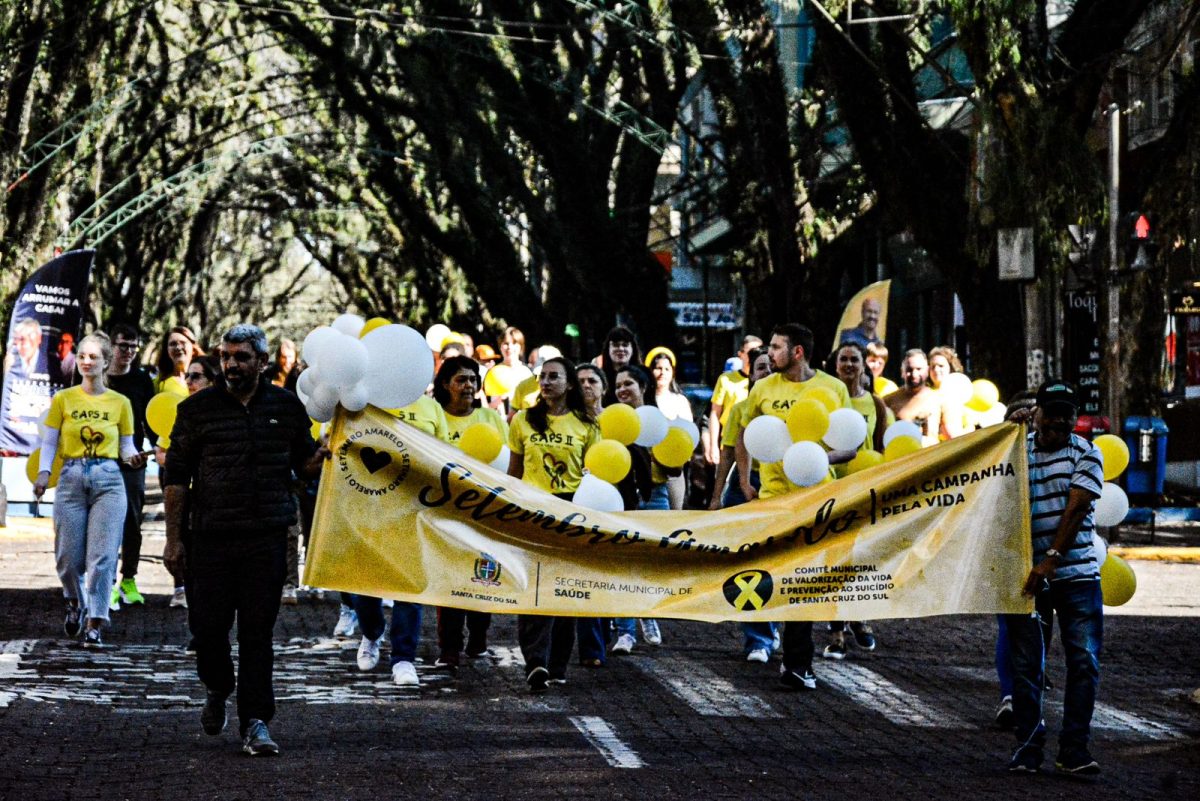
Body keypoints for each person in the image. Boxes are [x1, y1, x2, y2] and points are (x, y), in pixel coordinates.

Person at [162, 324, 328, 756]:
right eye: (226, 356)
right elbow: (176, 477)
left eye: (241, 357)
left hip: (267, 537)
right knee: (208, 630)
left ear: (262, 361)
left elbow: (305, 464)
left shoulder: (287, 407)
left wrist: (325, 453)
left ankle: (256, 722)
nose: (231, 365)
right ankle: (218, 686)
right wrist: (173, 540)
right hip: (211, 539)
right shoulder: (197, 410)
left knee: (258, 634)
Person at [739, 324, 856, 690]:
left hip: (816, 500)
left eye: (775, 347)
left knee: (803, 582)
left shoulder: (832, 388)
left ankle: (796, 663)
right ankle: (766, 641)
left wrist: (815, 457)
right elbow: (744, 436)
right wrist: (745, 480)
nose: (768, 353)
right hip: (773, 500)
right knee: (771, 575)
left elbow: (851, 445)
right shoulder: (761, 388)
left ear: (798, 352)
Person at [1003, 382, 1104, 776]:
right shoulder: (1016, 450)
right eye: (1053, 411)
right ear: (1037, 413)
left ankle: (1074, 750)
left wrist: (1051, 560)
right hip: (1027, 577)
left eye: (1068, 413)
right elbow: (983, 472)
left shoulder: (1087, 452)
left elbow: (1077, 507)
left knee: (1084, 661)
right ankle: (1028, 749)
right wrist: (1004, 430)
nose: (1060, 420)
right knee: (1027, 665)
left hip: (1076, 575)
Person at [34, 331, 136, 647]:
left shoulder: (120, 403)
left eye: (93, 357)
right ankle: (75, 602)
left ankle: (95, 622)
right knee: (67, 558)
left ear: (106, 362)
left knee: (102, 556)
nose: (86, 362)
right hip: (71, 477)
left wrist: (132, 457)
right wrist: (43, 473)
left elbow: (126, 444)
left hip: (108, 480)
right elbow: (50, 442)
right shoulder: (63, 399)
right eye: (82, 356)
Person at [508, 357, 599, 692]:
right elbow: (514, 472)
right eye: (541, 377)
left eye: (553, 377)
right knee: (533, 588)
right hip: (532, 510)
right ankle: (536, 663)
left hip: (573, 510)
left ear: (569, 384)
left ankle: (558, 664)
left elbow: (598, 474)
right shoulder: (522, 421)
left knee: (564, 590)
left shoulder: (587, 425)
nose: (545, 383)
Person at [353, 391, 450, 687]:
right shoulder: (366, 402)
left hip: (415, 508)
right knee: (362, 586)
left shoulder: (431, 409)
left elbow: (445, 456)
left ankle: (403, 658)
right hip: (371, 506)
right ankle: (371, 632)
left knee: (409, 586)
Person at [433, 355, 507, 668]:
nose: (469, 386)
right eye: (461, 380)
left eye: (473, 380)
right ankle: (449, 646)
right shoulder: (434, 415)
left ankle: (479, 634)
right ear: (445, 385)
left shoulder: (491, 420)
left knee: (483, 575)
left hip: (485, 511)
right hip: (445, 510)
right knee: (449, 577)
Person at [709, 348, 778, 663]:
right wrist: (716, 495)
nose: (764, 372)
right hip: (744, 490)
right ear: (750, 375)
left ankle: (774, 626)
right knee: (749, 567)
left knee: (779, 563)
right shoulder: (738, 409)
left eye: (769, 367)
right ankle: (758, 640)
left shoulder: (786, 409)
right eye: (758, 368)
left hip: (781, 491)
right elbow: (726, 455)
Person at [821, 342, 889, 660]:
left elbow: (880, 449)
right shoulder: (825, 400)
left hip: (865, 492)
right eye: (843, 359)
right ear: (835, 366)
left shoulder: (875, 404)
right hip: (831, 490)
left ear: (865, 366)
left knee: (861, 557)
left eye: (854, 359)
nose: (848, 364)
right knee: (836, 560)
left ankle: (860, 616)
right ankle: (836, 633)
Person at [609, 364, 668, 654]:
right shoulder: (612, 421)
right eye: (618, 385)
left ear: (643, 387)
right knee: (623, 563)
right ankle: (625, 632)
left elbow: (673, 468)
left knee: (651, 564)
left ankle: (649, 612)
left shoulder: (659, 420)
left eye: (628, 384)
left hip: (655, 496)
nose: (622, 390)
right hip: (621, 498)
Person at [104, 324, 155, 610]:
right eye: (123, 346)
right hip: (100, 459)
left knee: (132, 522)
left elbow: (151, 420)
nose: (128, 353)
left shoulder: (141, 380)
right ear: (110, 345)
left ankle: (128, 579)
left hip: (133, 461)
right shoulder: (98, 377)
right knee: (103, 523)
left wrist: (156, 448)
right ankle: (104, 581)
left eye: (134, 348)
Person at [883, 349, 961, 445]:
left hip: (930, 457)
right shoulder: (888, 401)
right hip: (900, 456)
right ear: (902, 372)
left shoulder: (940, 400)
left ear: (927, 370)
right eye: (909, 370)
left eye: (919, 369)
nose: (914, 374)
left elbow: (952, 436)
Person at [705, 334, 762, 466]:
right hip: (730, 441)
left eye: (758, 352)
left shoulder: (765, 380)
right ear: (740, 354)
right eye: (750, 352)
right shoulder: (725, 379)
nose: (754, 357)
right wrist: (713, 445)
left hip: (757, 443)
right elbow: (715, 413)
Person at [648, 350, 692, 510]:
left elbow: (687, 434)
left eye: (667, 369)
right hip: (649, 470)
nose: (662, 373)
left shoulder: (680, 400)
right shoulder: (645, 399)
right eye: (658, 368)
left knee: (675, 515)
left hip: (673, 469)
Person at [598, 326, 641, 406]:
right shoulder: (599, 378)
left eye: (625, 345)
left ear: (632, 349)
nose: (621, 349)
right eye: (615, 345)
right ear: (608, 349)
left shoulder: (643, 375)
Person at [155, 326, 204, 396]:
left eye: (183, 342)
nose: (178, 347)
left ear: (193, 348)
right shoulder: (158, 382)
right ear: (167, 350)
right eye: (173, 344)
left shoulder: (206, 378)